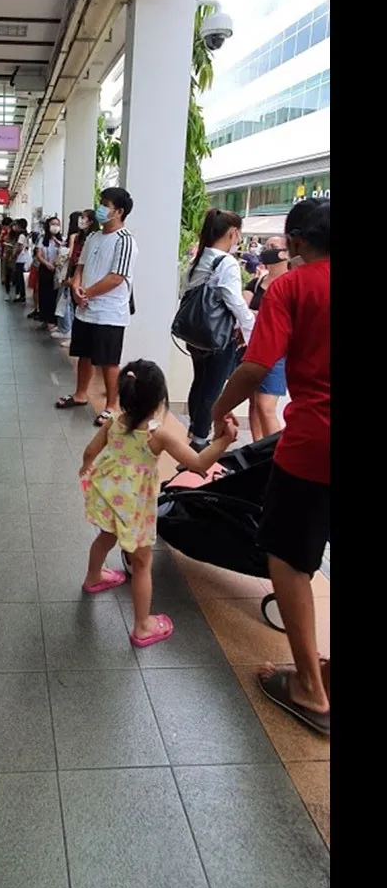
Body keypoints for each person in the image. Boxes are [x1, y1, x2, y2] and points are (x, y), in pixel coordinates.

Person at [212, 200, 330, 736]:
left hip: (314, 445)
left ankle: (308, 686)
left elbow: (257, 365)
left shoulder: (292, 287)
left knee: (289, 558)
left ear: (298, 241)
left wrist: (217, 409)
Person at [79, 359, 237, 645]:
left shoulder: (114, 421)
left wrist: (86, 468)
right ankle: (142, 626)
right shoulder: (156, 434)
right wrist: (224, 441)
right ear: (158, 401)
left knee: (105, 536)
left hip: (109, 495)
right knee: (141, 563)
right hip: (135, 507)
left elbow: (90, 451)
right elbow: (199, 463)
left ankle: (93, 577)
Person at [56, 187, 137, 426]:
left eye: (105, 205)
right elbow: (80, 267)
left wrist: (86, 293)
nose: (100, 209)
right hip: (86, 309)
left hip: (109, 312)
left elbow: (116, 277)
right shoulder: (93, 237)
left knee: (109, 361)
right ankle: (81, 394)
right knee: (84, 355)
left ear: (118, 211)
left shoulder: (125, 240)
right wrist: (76, 287)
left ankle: (111, 406)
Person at [182, 208, 255, 450]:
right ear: (233, 233)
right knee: (212, 388)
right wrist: (250, 328)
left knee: (200, 382)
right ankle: (200, 440)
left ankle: (195, 429)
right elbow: (234, 300)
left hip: (195, 333)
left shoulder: (199, 259)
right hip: (218, 337)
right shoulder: (226, 262)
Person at [244, 243, 289, 441]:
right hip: (252, 347)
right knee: (254, 403)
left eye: (274, 246)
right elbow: (243, 310)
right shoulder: (256, 283)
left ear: (285, 253)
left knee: (265, 405)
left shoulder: (291, 283)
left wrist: (257, 315)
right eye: (268, 245)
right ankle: (258, 448)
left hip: (278, 351)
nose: (268, 250)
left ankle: (274, 452)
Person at [53, 209, 99, 345]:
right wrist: (69, 276)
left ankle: (77, 337)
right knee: (73, 305)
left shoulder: (94, 238)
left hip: (86, 276)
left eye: (83, 217)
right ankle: (74, 336)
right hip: (74, 273)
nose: (81, 220)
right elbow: (73, 258)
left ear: (91, 221)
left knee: (80, 305)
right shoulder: (78, 237)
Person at [35, 216, 62, 330]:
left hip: (57, 270)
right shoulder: (42, 239)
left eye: (57, 224)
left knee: (54, 295)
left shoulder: (62, 240)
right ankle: (44, 319)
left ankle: (53, 320)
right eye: (53, 224)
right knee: (44, 294)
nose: (55, 227)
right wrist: (47, 264)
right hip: (45, 269)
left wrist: (58, 243)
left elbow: (65, 253)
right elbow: (39, 255)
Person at [11, 218, 30, 303]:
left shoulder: (21, 236)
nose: (15, 227)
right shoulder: (26, 235)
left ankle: (21, 295)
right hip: (24, 258)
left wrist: (14, 256)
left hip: (20, 259)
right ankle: (21, 295)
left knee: (20, 279)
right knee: (20, 278)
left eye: (16, 225)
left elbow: (19, 248)